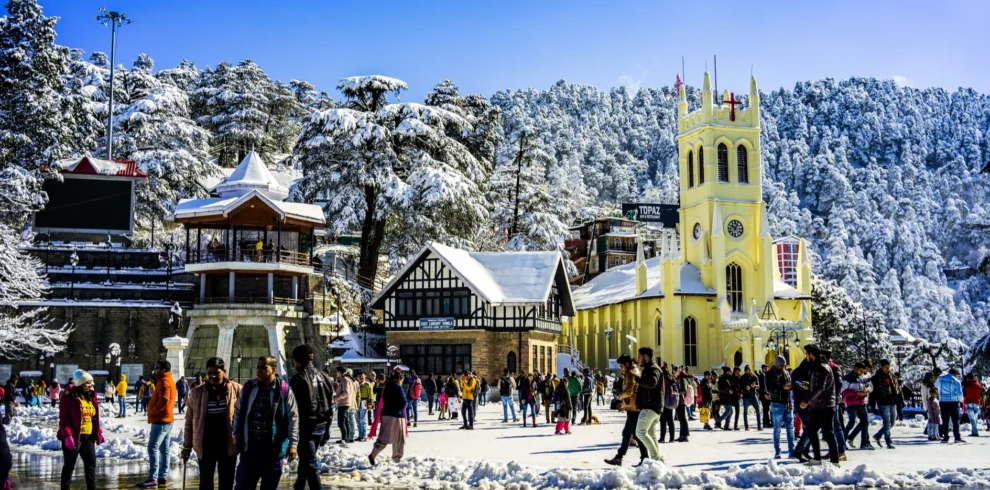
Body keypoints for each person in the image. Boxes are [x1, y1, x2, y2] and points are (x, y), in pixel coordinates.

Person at [233, 356, 299, 490]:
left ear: (274, 370)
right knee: (243, 486)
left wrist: (293, 444)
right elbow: (238, 411)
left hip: (273, 451)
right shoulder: (249, 387)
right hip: (250, 449)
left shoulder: (284, 390)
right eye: (258, 367)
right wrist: (235, 433)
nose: (259, 370)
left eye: (264, 367)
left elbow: (293, 418)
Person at [182, 357, 242, 490]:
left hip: (228, 445)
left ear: (224, 371)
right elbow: (189, 421)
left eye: (217, 373)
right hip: (205, 445)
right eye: (210, 373)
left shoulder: (237, 390)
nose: (213, 376)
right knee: (205, 483)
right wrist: (187, 446)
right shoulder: (197, 393)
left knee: (226, 483)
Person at [289, 345, 334, 490]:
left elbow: (294, 408)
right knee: (306, 460)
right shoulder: (324, 376)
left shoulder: (298, 378)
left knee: (310, 464)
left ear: (297, 360)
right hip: (321, 424)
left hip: (306, 426)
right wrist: (328, 426)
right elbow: (331, 403)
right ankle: (299, 485)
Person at [57, 370, 104, 490]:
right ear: (80, 383)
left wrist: (98, 432)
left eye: (91, 382)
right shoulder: (69, 397)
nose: (91, 385)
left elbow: (94, 418)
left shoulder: (91, 397)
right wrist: (67, 435)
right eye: (88, 382)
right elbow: (64, 420)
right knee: (69, 466)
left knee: (91, 467)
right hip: (74, 437)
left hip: (88, 437)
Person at [137, 360, 177, 488]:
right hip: (166, 419)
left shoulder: (164, 381)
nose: (155, 370)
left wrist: (153, 411)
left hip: (161, 420)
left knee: (153, 447)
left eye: (157, 368)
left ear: (163, 369)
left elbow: (164, 400)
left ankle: (153, 477)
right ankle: (162, 475)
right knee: (164, 449)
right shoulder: (167, 380)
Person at [605, 355, 647, 466]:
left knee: (636, 434)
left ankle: (645, 458)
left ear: (627, 364)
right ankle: (619, 457)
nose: (621, 368)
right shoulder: (634, 371)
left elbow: (629, 391)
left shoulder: (630, 373)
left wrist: (619, 396)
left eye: (621, 366)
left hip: (633, 407)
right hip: (632, 406)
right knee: (627, 433)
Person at [800, 345, 839, 466]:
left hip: (825, 406)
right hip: (817, 406)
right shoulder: (817, 366)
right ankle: (817, 458)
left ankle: (835, 460)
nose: (806, 356)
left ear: (812, 355)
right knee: (811, 431)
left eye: (807, 354)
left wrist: (807, 401)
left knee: (828, 433)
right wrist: (809, 385)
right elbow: (818, 385)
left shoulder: (822, 367)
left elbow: (821, 388)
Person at [368, 371, 407, 464]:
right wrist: (400, 407)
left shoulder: (387, 387)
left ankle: (373, 454)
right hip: (396, 416)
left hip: (385, 414)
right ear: (399, 379)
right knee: (399, 438)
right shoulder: (398, 387)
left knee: (383, 437)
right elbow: (404, 402)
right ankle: (397, 459)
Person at [633, 347, 662, 461]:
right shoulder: (649, 368)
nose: (638, 359)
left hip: (650, 406)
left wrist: (638, 379)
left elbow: (652, 383)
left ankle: (655, 458)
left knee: (640, 432)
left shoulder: (653, 369)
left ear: (646, 357)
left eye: (640, 357)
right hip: (652, 406)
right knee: (651, 433)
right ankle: (657, 459)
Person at [765, 356, 794, 459]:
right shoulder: (770, 374)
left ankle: (792, 451)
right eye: (781, 366)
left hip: (787, 402)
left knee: (790, 428)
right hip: (777, 403)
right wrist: (782, 387)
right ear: (776, 365)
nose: (783, 367)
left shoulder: (786, 372)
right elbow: (769, 389)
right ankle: (777, 451)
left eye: (784, 365)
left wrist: (790, 387)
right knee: (777, 428)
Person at [841, 362, 874, 450]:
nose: (861, 372)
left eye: (862, 371)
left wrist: (865, 392)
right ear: (855, 368)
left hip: (861, 403)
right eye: (860, 370)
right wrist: (855, 393)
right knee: (851, 423)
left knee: (865, 422)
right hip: (852, 404)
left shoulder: (862, 379)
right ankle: (842, 441)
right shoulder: (847, 378)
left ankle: (865, 442)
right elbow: (843, 391)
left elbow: (869, 388)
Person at [870, 359, 898, 449]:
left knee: (892, 422)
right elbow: (872, 393)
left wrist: (899, 398)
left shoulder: (892, 375)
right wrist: (872, 405)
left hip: (892, 401)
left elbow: (896, 387)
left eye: (888, 367)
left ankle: (878, 435)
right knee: (887, 423)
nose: (887, 369)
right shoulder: (876, 378)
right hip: (882, 402)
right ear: (881, 367)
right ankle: (888, 441)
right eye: (885, 367)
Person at [936, 367, 965, 443]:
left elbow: (935, 386)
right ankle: (957, 437)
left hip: (943, 401)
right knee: (955, 420)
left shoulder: (941, 378)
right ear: (955, 373)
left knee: (945, 420)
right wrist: (961, 400)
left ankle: (945, 437)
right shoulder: (956, 381)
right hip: (953, 402)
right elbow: (959, 393)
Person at [333, 366, 356, 444]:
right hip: (346, 403)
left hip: (343, 403)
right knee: (345, 422)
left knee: (341, 422)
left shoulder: (345, 379)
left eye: (337, 372)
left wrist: (337, 398)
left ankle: (344, 438)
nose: (337, 373)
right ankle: (346, 438)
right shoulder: (348, 379)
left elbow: (346, 392)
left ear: (339, 372)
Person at [739, 365, 761, 430]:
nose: (748, 372)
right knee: (745, 412)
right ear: (745, 371)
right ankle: (746, 425)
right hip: (746, 396)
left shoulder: (754, 377)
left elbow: (758, 386)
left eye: (749, 370)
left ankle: (759, 425)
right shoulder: (742, 377)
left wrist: (754, 386)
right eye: (747, 370)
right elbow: (740, 386)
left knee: (758, 410)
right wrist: (745, 388)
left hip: (753, 395)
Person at [962, 373, 983, 438]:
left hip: (969, 402)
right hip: (976, 403)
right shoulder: (978, 385)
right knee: (975, 419)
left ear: (968, 378)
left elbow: (964, 394)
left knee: (972, 419)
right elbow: (981, 395)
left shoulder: (967, 384)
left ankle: (975, 432)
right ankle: (974, 431)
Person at [357, 371, 374, 441]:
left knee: (363, 419)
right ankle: (360, 435)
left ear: (365, 376)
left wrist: (370, 406)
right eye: (359, 376)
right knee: (357, 420)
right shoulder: (355, 384)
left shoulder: (368, 385)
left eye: (362, 375)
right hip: (356, 402)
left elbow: (371, 396)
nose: (360, 377)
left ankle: (363, 435)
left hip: (364, 402)